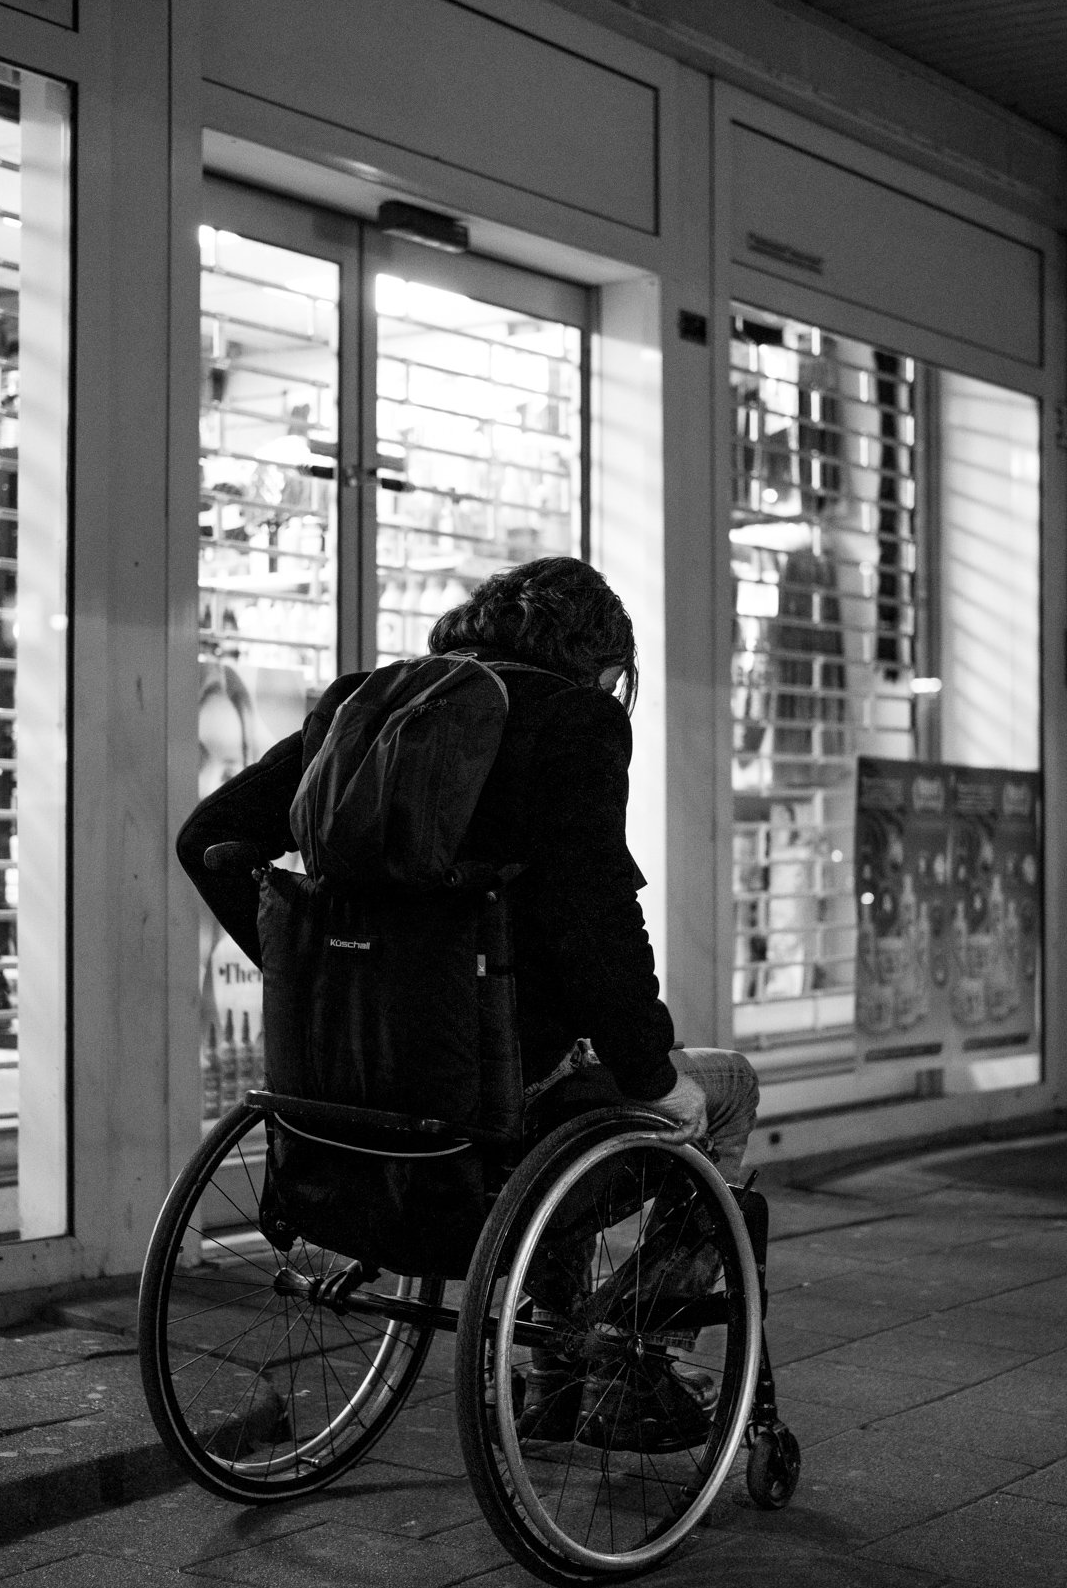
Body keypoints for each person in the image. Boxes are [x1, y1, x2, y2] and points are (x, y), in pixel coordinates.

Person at [178, 555, 761, 1448]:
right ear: (600, 662)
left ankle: (556, 1377)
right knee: (724, 1088)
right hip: (495, 1095)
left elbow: (208, 836)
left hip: (349, 1085)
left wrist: (318, 979)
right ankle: (620, 1361)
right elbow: (594, 914)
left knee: (565, 1088)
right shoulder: (574, 718)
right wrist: (654, 1073)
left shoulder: (369, 706)